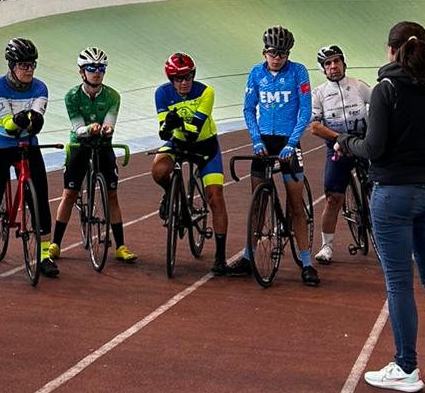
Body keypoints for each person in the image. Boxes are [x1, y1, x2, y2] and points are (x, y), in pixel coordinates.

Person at [336, 21, 425, 392]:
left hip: (394, 194)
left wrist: (344, 142)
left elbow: (373, 148)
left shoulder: (386, 90)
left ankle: (406, 367)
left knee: (399, 281)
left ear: (391, 51)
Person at [0, 37, 59, 283]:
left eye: (32, 65)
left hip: (28, 146)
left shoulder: (40, 88)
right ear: (11, 66)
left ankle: (43, 257)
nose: (29, 70)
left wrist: (28, 119)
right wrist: (23, 119)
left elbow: (36, 121)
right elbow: (8, 125)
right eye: (23, 65)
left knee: (39, 197)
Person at [152, 52, 242, 277]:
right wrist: (168, 126)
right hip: (178, 144)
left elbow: (195, 130)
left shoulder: (206, 92)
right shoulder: (162, 93)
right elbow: (164, 130)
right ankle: (170, 196)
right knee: (158, 170)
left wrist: (177, 122)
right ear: (170, 79)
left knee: (215, 197)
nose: (184, 83)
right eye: (178, 79)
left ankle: (220, 258)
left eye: (188, 77)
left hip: (204, 147)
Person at [46, 47, 137, 268]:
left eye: (101, 68)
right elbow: (77, 128)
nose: (97, 72)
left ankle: (121, 247)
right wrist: (90, 128)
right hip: (80, 144)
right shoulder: (72, 96)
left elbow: (110, 123)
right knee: (69, 194)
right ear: (82, 72)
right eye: (91, 68)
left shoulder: (113, 96)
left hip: (103, 144)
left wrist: (105, 129)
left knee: (112, 194)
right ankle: (55, 243)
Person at [242, 25, 318, 285]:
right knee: (258, 205)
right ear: (265, 52)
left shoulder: (298, 72)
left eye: (283, 54)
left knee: (297, 205)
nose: (277, 58)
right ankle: (247, 255)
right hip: (264, 141)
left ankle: (307, 262)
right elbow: (249, 109)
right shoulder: (255, 73)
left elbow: (305, 112)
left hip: (289, 141)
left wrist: (292, 143)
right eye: (273, 53)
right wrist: (255, 139)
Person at [308, 44, 371, 265]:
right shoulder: (319, 94)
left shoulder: (359, 86)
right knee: (333, 198)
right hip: (337, 146)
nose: (333, 66)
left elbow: (380, 109)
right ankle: (326, 246)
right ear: (323, 69)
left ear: (344, 63)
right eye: (328, 63)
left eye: (337, 61)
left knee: (380, 192)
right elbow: (315, 127)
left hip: (363, 144)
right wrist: (338, 139)